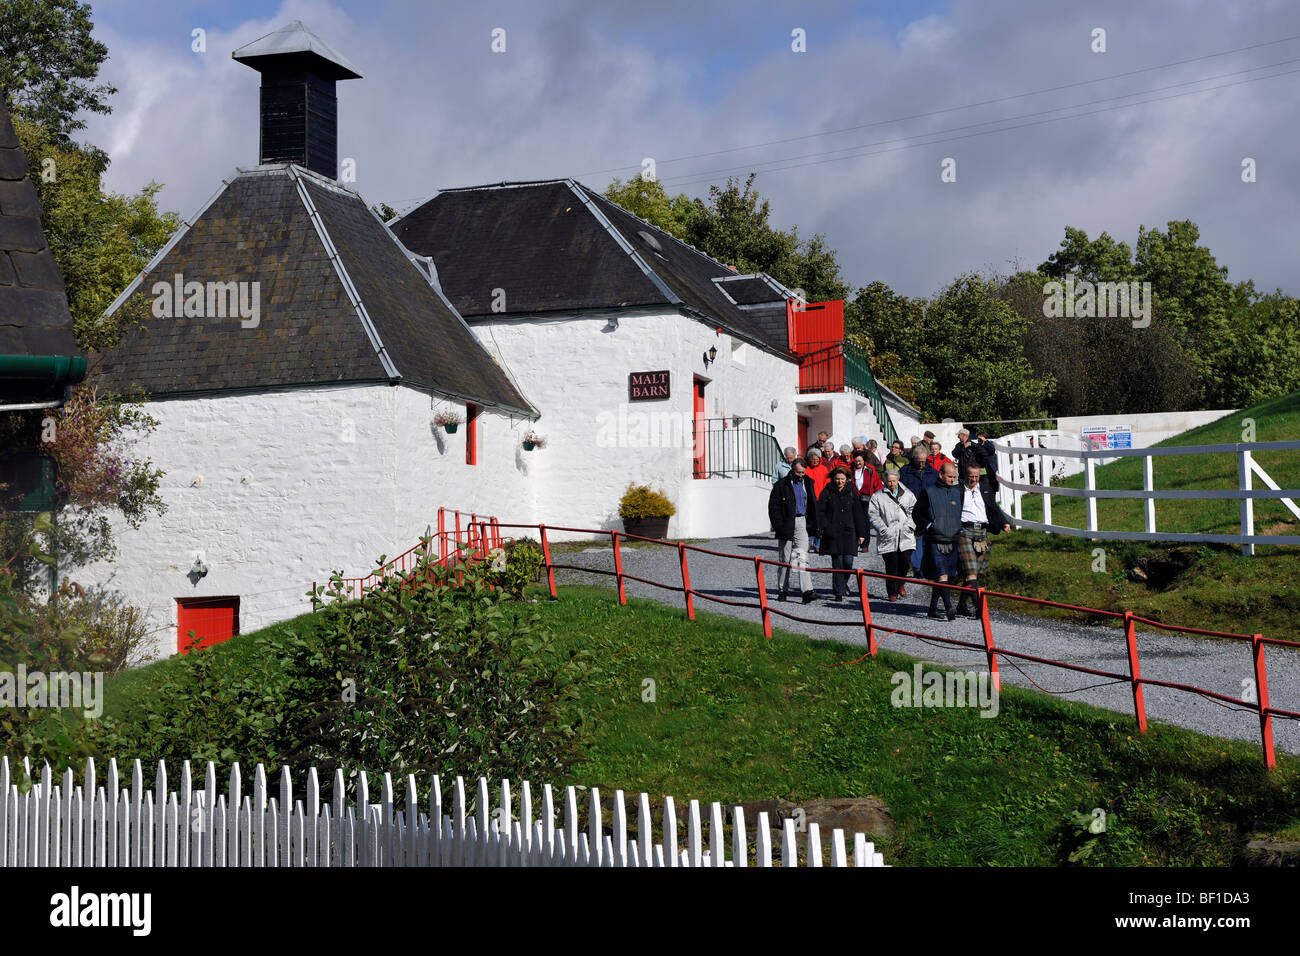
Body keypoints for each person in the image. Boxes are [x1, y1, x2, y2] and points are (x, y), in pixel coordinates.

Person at [953, 462, 1013, 617]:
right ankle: (981, 609)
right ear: (964, 475)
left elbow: (993, 507)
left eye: (976, 476)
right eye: (971, 476)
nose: (974, 479)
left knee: (974, 574)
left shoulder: (985, 489)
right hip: (964, 532)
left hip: (982, 532)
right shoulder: (958, 490)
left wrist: (1003, 523)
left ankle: (961, 605)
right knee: (971, 572)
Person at [913, 461, 964, 620]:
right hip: (935, 539)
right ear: (941, 474)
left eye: (954, 477)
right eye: (949, 476)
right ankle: (949, 608)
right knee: (942, 575)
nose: (952, 480)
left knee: (943, 576)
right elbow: (916, 513)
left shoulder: (958, 492)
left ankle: (932, 608)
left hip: (953, 538)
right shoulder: (928, 492)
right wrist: (929, 525)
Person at [767, 458, 819, 604]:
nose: (801, 475)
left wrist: (814, 524)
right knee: (785, 558)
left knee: (801, 556)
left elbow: (812, 503)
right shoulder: (781, 485)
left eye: (803, 472)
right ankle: (783, 589)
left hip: (801, 522)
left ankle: (807, 591)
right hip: (786, 523)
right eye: (798, 472)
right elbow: (773, 507)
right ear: (792, 470)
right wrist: (778, 525)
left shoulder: (808, 482)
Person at [816, 465, 866, 601]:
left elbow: (858, 513)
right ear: (833, 479)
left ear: (847, 479)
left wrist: (862, 533)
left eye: (842, 479)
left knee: (848, 562)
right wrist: (825, 526)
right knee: (837, 562)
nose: (840, 482)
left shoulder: (852, 492)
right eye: (837, 479)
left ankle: (842, 583)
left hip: (849, 531)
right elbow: (820, 511)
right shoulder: (827, 491)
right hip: (833, 532)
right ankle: (839, 591)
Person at [867, 469, 917, 601]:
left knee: (905, 563)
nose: (892, 484)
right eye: (889, 481)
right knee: (891, 565)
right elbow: (873, 515)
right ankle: (892, 592)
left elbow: (914, 512)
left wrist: (910, 526)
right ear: (885, 481)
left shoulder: (908, 494)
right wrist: (883, 529)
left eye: (894, 481)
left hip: (905, 535)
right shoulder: (878, 496)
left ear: (898, 480)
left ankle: (900, 583)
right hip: (888, 536)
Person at [899, 445, 936, 579]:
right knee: (913, 537)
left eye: (923, 461)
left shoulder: (933, 472)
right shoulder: (905, 472)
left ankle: (924, 566)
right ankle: (916, 566)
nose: (921, 464)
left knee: (925, 538)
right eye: (919, 461)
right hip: (910, 509)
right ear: (913, 459)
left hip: (927, 510)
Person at [804, 448, 830, 550]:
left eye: (817, 459)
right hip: (809, 500)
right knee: (810, 521)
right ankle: (810, 540)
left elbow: (827, 482)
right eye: (812, 459)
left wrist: (825, 496)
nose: (815, 461)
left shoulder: (823, 469)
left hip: (821, 499)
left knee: (821, 522)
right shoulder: (806, 469)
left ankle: (818, 543)